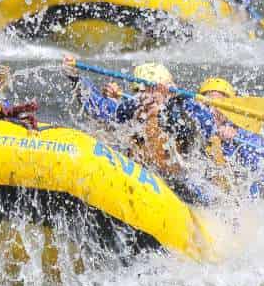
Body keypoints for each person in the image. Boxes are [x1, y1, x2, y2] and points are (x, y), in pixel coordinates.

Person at [62, 56, 228, 205]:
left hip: (184, 180)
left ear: (166, 88)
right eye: (139, 91)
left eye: (149, 90)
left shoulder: (183, 106)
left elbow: (206, 126)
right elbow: (101, 109)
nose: (143, 96)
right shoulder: (136, 104)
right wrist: (76, 78)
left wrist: (173, 103)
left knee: (206, 193)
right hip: (148, 176)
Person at [197, 76, 264, 197]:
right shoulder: (196, 123)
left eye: (220, 105)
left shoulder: (242, 131)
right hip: (209, 188)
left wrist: (237, 137)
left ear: (231, 109)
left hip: (242, 195)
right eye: (208, 104)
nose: (213, 110)